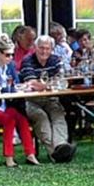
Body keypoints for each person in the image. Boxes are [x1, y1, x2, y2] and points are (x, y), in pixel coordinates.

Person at [0, 33, 39, 168]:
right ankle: (9, 157)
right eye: (7, 55)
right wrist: (10, 89)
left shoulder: (11, 66)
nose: (10, 58)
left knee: (22, 119)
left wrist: (21, 87)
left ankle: (30, 154)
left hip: (8, 104)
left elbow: (16, 83)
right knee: (9, 120)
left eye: (12, 54)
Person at [18, 35, 74, 163]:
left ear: (51, 49)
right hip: (30, 100)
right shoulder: (27, 61)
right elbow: (32, 83)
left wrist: (42, 85)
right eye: (41, 48)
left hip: (51, 98)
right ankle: (56, 153)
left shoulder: (55, 60)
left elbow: (61, 80)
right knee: (41, 117)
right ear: (35, 48)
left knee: (58, 114)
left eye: (47, 48)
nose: (44, 51)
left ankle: (60, 146)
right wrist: (49, 84)